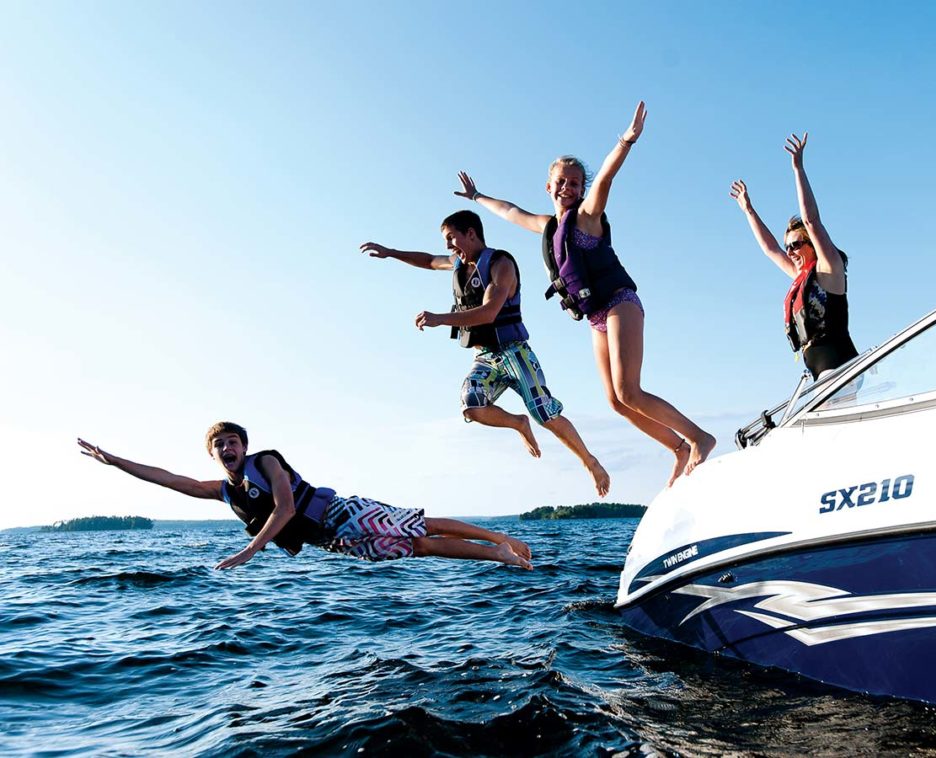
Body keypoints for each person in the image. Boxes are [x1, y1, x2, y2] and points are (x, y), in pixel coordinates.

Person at [454, 101, 715, 487]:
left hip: (620, 303)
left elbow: (606, 179)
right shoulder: (546, 226)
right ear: (549, 186)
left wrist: (625, 142)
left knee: (630, 389)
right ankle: (676, 448)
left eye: (574, 183)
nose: (567, 188)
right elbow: (510, 211)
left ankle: (699, 438)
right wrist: (477, 197)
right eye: (560, 181)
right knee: (615, 400)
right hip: (595, 317)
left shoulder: (588, 216)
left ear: (581, 190)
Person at [360, 210, 610, 496]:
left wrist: (440, 318)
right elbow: (428, 261)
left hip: (515, 353)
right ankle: (518, 423)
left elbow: (490, 312)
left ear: (471, 233)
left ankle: (590, 462)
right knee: (472, 405)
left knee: (545, 413)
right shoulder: (458, 264)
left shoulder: (500, 265)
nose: (448, 246)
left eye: (451, 238)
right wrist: (390, 252)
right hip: (486, 357)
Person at [76, 423, 533, 570]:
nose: (228, 448)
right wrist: (117, 462)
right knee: (420, 548)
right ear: (213, 455)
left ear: (244, 447)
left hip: (342, 513)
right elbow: (167, 478)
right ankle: (499, 555)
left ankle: (498, 537)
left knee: (422, 524)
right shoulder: (221, 490)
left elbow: (287, 507)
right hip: (333, 541)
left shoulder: (267, 462)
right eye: (220, 445)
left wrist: (250, 550)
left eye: (234, 441)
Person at [730, 133, 858, 380]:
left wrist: (798, 169)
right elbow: (771, 249)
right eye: (788, 246)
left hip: (838, 365)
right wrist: (748, 210)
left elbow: (811, 221)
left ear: (812, 244)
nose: (790, 252)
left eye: (796, 245)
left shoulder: (829, 270)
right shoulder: (802, 276)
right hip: (817, 368)